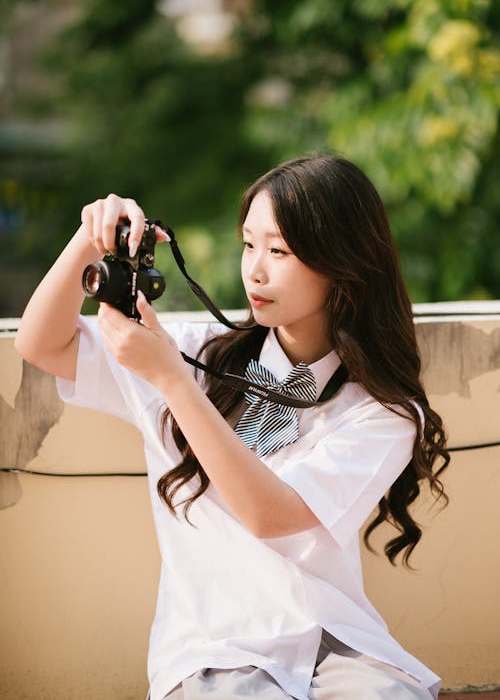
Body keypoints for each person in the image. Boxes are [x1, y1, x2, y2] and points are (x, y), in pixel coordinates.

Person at [15, 155, 449, 700]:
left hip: (335, 646)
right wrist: (90, 238)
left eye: (279, 251)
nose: (255, 270)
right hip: (213, 652)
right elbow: (41, 343)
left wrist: (171, 381)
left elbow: (269, 514)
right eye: (249, 244)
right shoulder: (195, 353)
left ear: (343, 266)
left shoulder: (382, 410)